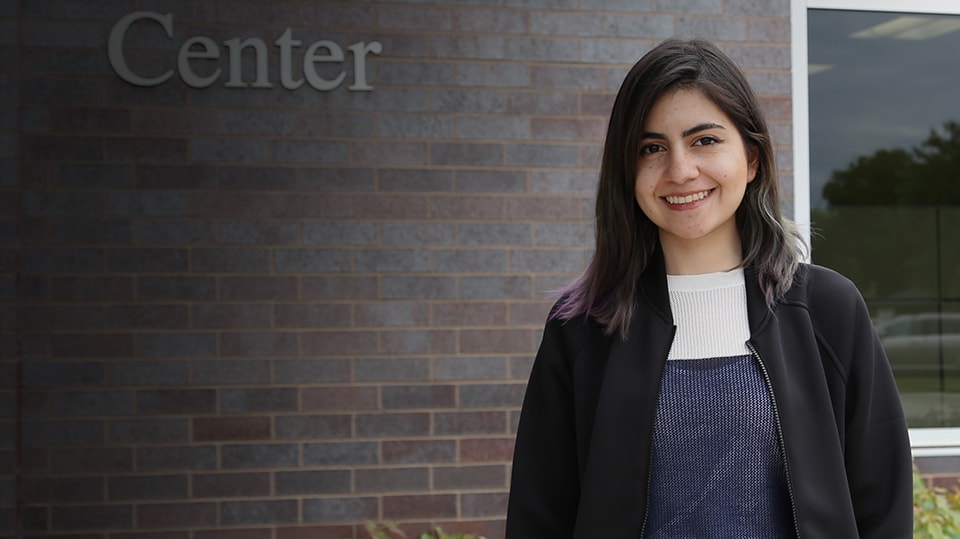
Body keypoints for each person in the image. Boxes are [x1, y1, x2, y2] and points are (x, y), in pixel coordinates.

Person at [505, 38, 912, 538]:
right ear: (627, 172)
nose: (680, 171)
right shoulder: (582, 330)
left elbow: (883, 507)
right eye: (652, 148)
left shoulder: (829, 311)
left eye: (705, 141)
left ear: (753, 158)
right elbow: (539, 516)